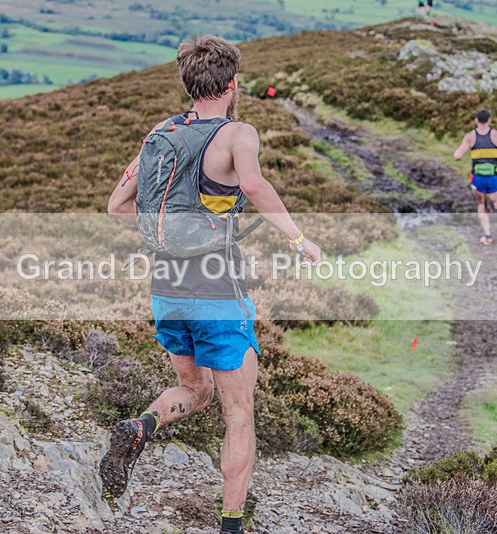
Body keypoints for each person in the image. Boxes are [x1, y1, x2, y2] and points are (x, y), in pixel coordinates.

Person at [104, 35, 321, 534]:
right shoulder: (237, 134)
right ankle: (231, 525)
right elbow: (252, 185)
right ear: (232, 84)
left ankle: (141, 427)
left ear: (188, 84)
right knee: (238, 413)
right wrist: (298, 240)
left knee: (193, 389)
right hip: (217, 289)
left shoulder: (160, 133)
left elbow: (117, 206)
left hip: (165, 287)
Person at [453, 109, 497, 246]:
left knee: (481, 204)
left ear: (476, 120)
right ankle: (494, 211)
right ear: (489, 120)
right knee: (494, 202)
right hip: (493, 176)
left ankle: (487, 235)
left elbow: (457, 156)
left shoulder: (470, 137)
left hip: (478, 177)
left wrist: (463, 151)